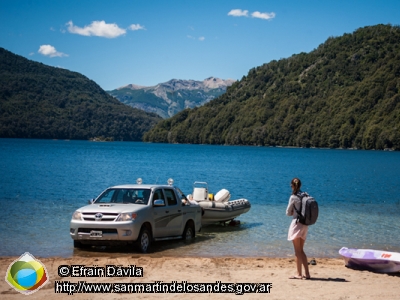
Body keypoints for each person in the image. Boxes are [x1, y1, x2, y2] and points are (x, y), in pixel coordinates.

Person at [286, 177, 311, 279]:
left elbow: (287, 212)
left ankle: (299, 274)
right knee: (301, 250)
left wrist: (293, 212)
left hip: (296, 224)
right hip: (305, 224)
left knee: (297, 251)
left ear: (292, 186)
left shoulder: (293, 197)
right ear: (300, 185)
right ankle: (307, 274)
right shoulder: (305, 195)